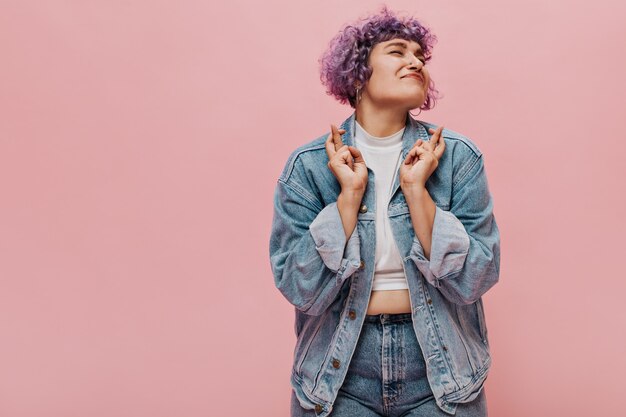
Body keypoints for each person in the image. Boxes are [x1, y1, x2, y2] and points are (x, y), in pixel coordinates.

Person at [269, 5, 500, 417]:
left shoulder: (457, 159)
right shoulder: (307, 167)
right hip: (337, 372)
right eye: (397, 51)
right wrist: (347, 198)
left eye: (420, 56)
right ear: (358, 72)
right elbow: (299, 288)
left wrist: (417, 193)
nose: (415, 61)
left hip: (442, 369)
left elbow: (476, 277)